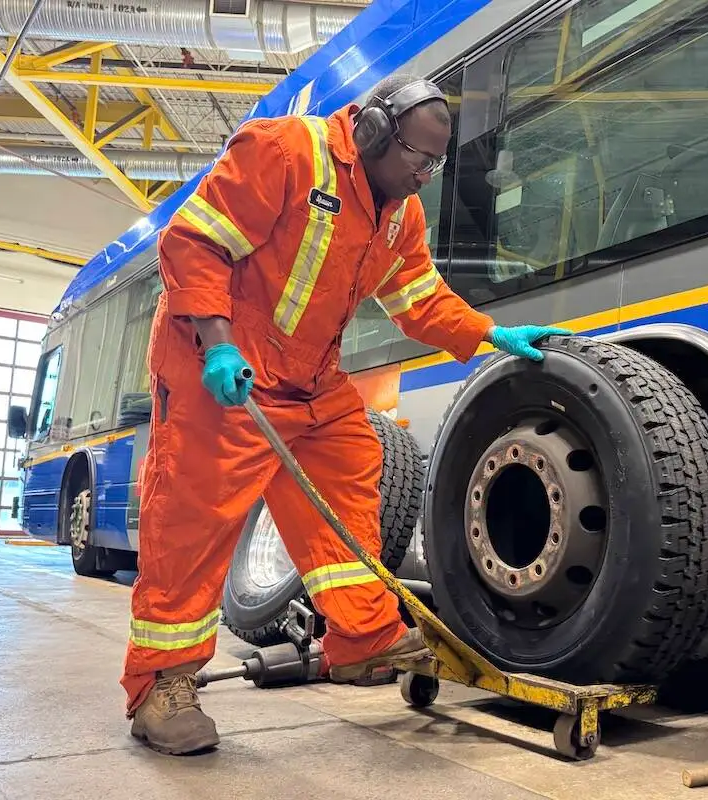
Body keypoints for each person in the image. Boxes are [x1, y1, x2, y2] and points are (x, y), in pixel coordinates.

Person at [121, 73, 570, 756]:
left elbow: (419, 298)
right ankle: (162, 686)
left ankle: (360, 640)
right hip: (217, 360)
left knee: (352, 462)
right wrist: (217, 346)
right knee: (192, 523)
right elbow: (194, 242)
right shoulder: (286, 152)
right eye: (416, 159)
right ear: (373, 134)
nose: (424, 176)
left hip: (306, 376)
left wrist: (488, 334)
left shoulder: (398, 213)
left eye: (434, 164)